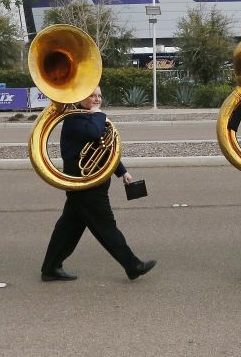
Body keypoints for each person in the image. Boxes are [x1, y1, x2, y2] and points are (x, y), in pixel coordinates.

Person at [40, 86, 156, 282]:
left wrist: (122, 171)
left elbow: (105, 148)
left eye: (99, 96)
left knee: (68, 228)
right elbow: (95, 133)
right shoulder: (74, 119)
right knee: (106, 226)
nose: (97, 99)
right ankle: (132, 265)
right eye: (92, 95)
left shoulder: (91, 118)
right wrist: (98, 115)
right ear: (80, 97)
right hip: (86, 187)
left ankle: (50, 268)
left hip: (92, 185)